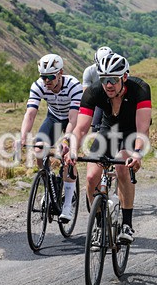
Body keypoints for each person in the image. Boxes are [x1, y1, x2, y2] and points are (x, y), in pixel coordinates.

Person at [64, 52, 152, 244]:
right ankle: (98, 224)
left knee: (122, 166)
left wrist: (137, 154)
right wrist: (73, 150)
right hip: (108, 130)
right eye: (104, 79)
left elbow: (142, 129)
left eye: (113, 79)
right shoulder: (94, 91)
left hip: (132, 130)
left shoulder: (140, 89)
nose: (108, 84)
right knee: (91, 177)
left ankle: (127, 224)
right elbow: (81, 128)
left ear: (124, 77)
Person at [18, 53, 83, 222]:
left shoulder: (74, 85)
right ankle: (49, 186)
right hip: (53, 118)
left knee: (69, 157)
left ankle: (67, 205)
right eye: (43, 77)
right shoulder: (38, 85)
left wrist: (66, 139)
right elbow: (30, 114)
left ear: (60, 73)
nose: (47, 81)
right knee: (39, 149)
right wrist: (23, 137)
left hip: (71, 120)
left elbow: (73, 119)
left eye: (51, 77)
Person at [82, 46, 111, 132]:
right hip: (99, 99)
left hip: (114, 98)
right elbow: (86, 93)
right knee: (95, 128)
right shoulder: (89, 71)